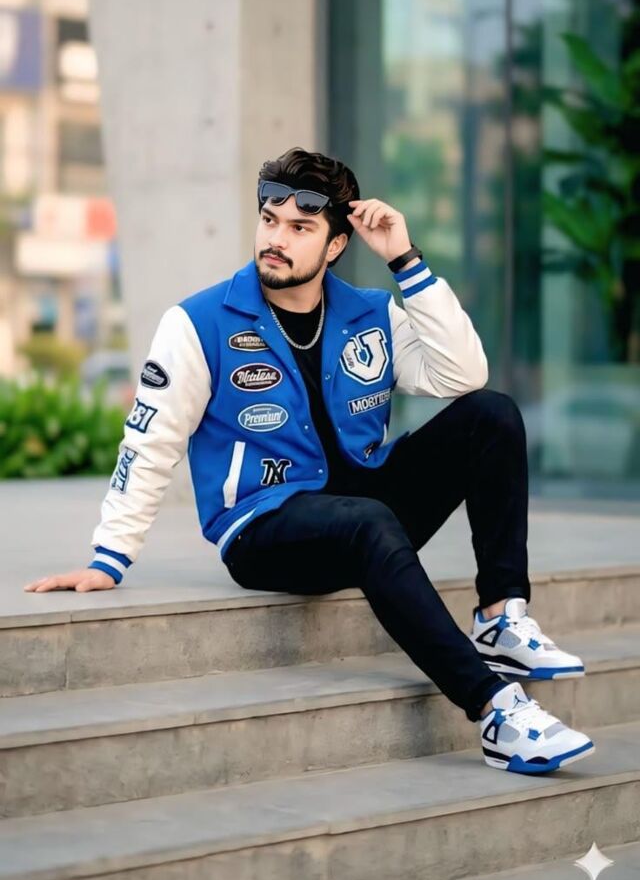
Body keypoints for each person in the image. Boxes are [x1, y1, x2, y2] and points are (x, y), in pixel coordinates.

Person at [25, 147, 595, 775]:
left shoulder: (370, 314)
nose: (276, 239)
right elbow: (149, 441)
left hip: (366, 504)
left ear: (336, 245)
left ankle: (500, 617)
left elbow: (462, 373)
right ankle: (495, 710)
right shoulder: (198, 323)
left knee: (491, 414)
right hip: (264, 528)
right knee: (367, 521)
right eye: (270, 220)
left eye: (301, 228)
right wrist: (109, 556)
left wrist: (405, 261)